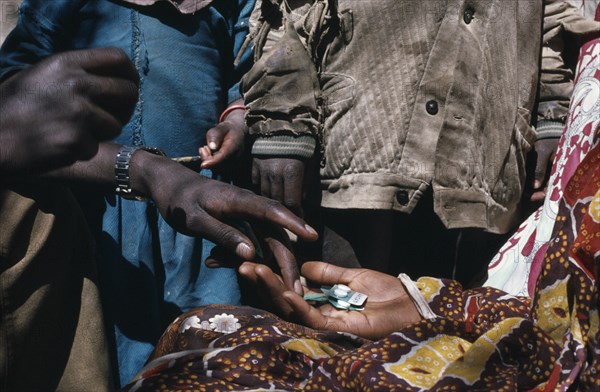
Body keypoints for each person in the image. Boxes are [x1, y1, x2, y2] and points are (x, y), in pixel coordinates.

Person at [122, 34, 600, 391]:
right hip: (356, 166)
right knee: (201, 331)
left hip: (488, 235)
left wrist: (444, 306)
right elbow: (286, 28)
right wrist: (437, 302)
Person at [0, 0, 311, 384]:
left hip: (200, 210)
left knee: (210, 349)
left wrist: (238, 122)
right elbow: (18, 97)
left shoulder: (228, 5)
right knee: (112, 351)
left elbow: (245, 75)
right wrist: (137, 167)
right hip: (102, 212)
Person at [241, 0, 600, 286]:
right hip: (356, 161)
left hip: (482, 168)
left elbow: (545, 20)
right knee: (333, 330)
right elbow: (287, 14)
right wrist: (283, 125)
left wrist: (551, 113)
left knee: (441, 347)